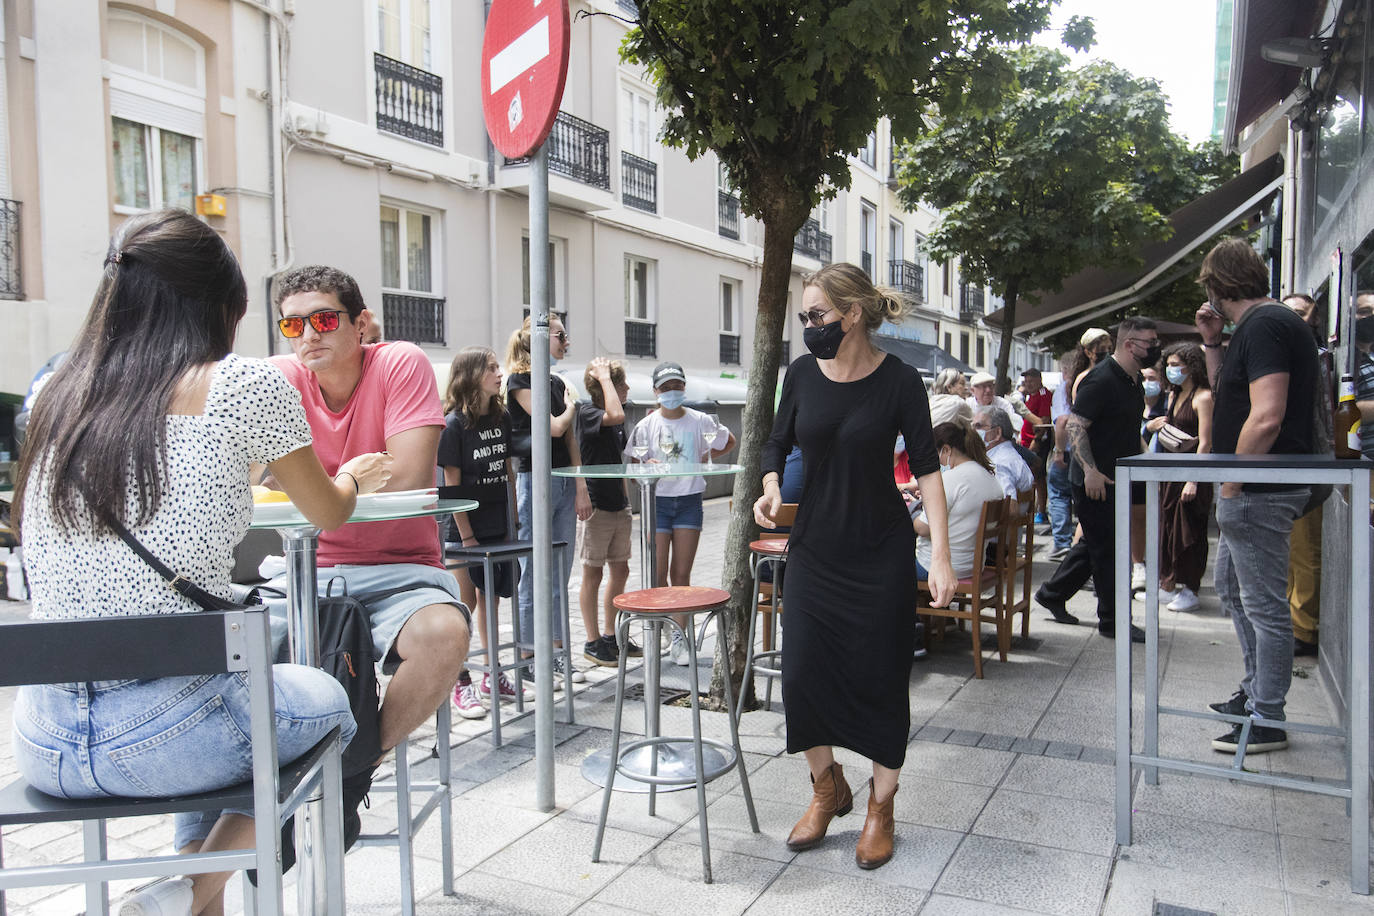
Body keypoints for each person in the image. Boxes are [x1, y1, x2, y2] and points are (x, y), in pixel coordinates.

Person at [10, 210, 380, 914]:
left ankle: (192, 889)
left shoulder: (58, 394)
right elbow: (327, 511)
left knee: (223, 697)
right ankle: (196, 884)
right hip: (172, 735)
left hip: (45, 743)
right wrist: (357, 476)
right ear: (216, 309)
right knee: (332, 699)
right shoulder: (241, 384)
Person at [755, 262, 955, 871]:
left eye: (817, 316)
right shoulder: (801, 374)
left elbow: (927, 468)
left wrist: (940, 555)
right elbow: (775, 442)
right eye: (804, 317)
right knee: (801, 676)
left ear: (853, 315)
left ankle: (880, 806)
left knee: (881, 679)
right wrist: (769, 485)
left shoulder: (899, 381)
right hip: (815, 548)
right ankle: (827, 787)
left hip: (880, 553)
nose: (809, 326)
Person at [268, 265, 472, 757]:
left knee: (444, 635)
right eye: (292, 325)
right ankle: (268, 783)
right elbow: (252, 478)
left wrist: (314, 488)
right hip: (302, 569)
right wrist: (353, 480)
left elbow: (407, 473)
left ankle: (355, 761)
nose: (308, 335)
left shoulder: (398, 362)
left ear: (360, 324)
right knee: (219, 645)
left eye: (324, 319)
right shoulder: (279, 378)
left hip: (401, 571)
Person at [1197, 239, 1319, 755]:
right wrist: (1211, 341)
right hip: (1255, 487)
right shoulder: (1257, 327)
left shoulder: (1268, 325)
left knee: (1265, 608)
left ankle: (1267, 716)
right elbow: (1233, 396)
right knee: (1230, 586)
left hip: (1259, 490)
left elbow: (1266, 415)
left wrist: (1232, 482)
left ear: (1220, 286)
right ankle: (1254, 693)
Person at [1035, 317, 1159, 642]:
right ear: (1130, 345)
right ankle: (1113, 621)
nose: (1154, 348)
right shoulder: (1101, 380)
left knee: (1096, 545)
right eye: (1149, 343)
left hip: (1117, 477)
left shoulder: (1134, 381)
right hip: (1094, 480)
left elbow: (1128, 430)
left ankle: (1052, 593)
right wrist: (1089, 470)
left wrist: (1146, 456)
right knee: (1110, 551)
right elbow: (1075, 426)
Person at [625, 360, 735, 665]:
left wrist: (704, 456)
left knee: (681, 574)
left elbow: (730, 441)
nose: (672, 392)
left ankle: (679, 638)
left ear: (684, 387)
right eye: (666, 387)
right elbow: (632, 468)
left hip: (689, 500)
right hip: (658, 503)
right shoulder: (646, 425)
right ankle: (659, 630)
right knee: (657, 573)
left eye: (677, 385)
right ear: (655, 391)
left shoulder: (700, 420)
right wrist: (642, 468)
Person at [506, 315, 590, 687]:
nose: (566, 342)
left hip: (562, 481)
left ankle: (556, 655)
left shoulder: (556, 382)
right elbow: (554, 426)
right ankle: (528, 657)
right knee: (532, 572)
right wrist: (571, 405)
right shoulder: (519, 382)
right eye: (561, 336)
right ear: (539, 340)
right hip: (533, 480)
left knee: (560, 570)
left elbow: (569, 439)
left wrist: (580, 483)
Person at [438, 347, 522, 719]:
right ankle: (461, 683)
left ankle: (493, 674)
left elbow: (507, 472)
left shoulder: (500, 416)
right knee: (464, 607)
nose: (499, 373)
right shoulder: (454, 424)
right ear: (471, 375)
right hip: (463, 531)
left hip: (496, 525)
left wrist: (512, 522)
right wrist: (467, 537)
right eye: (491, 368)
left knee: (493, 600)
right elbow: (451, 485)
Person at [576, 357, 642, 667]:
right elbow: (613, 414)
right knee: (593, 572)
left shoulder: (617, 419)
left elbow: (622, 458)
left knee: (621, 569)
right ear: (605, 388)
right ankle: (591, 641)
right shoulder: (589, 412)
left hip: (618, 503)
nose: (627, 388)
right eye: (620, 384)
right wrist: (604, 376)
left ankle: (611, 634)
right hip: (597, 505)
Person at [1147, 343, 1213, 613]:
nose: (1172, 370)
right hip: (1171, 473)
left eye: (1177, 365)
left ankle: (1190, 588)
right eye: (1169, 365)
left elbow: (1206, 443)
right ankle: (1169, 582)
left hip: (1192, 473)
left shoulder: (1204, 397)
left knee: (1190, 531)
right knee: (1169, 530)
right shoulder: (1174, 395)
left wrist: (1194, 479)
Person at [1283, 292, 1326, 656]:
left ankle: (1304, 630)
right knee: (1291, 551)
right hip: (1284, 467)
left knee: (1305, 550)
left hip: (1309, 464)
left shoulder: (1319, 359)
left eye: (1301, 313)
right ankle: (1292, 622)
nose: (1295, 319)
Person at [914, 422, 1004, 580]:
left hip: (938, 567)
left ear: (946, 449)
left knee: (889, 563)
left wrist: (913, 515)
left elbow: (923, 528)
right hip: (972, 566)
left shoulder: (949, 479)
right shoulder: (991, 479)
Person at [972, 405, 1033, 499]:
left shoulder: (998, 464)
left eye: (978, 426)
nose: (973, 432)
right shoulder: (1010, 455)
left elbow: (1008, 505)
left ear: (997, 433)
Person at [966, 371, 1040, 437]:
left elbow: (1016, 424)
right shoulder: (967, 405)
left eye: (990, 386)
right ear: (973, 390)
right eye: (984, 387)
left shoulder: (1002, 404)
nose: (988, 390)